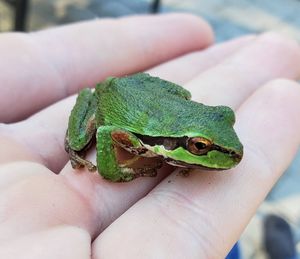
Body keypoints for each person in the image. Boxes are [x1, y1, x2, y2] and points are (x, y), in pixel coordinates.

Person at [0, 13, 300, 258]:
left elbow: (186, 101)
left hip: (151, 102)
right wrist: (115, 171)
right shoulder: (134, 140)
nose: (232, 148)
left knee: (183, 94)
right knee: (80, 143)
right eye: (199, 146)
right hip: (114, 103)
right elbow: (107, 131)